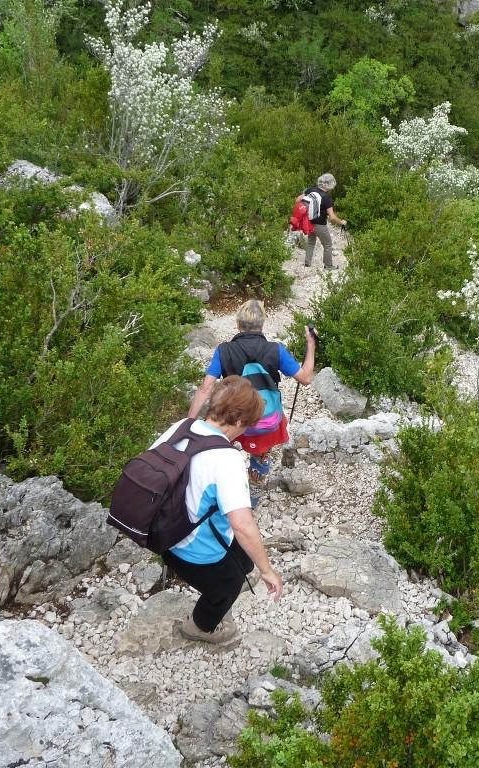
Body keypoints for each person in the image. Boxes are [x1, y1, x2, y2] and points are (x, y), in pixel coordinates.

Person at [158, 376, 284, 645]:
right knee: (227, 587)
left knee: (244, 562)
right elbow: (242, 525)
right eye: (249, 424)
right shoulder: (226, 459)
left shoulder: (181, 427)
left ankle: (238, 571)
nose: (247, 431)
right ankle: (199, 628)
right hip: (191, 549)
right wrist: (267, 571)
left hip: (160, 529)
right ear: (239, 421)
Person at [188, 299, 317, 503]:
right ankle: (253, 497)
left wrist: (189, 424)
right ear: (262, 325)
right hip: (266, 419)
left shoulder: (224, 351)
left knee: (218, 449)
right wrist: (310, 344)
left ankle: (221, 490)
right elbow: (306, 378)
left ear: (237, 324)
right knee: (261, 454)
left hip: (234, 419)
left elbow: (206, 389)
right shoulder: (276, 350)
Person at [303, 173, 347, 270]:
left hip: (309, 222)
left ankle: (307, 262)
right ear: (329, 184)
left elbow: (298, 200)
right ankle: (328, 265)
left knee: (310, 242)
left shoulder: (311, 190)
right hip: (320, 225)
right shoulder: (326, 197)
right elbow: (332, 217)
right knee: (327, 244)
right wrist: (342, 222)